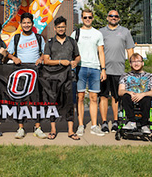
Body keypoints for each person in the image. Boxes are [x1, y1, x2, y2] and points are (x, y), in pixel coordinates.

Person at [6, 12, 47, 140]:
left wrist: (41, 59)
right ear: (21, 24)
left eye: (29, 22)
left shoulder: (39, 38)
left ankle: (37, 127)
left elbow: (45, 54)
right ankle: (20, 128)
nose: (26, 25)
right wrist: (14, 57)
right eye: (24, 23)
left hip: (35, 73)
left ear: (32, 24)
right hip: (20, 72)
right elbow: (8, 53)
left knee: (36, 101)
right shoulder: (16, 38)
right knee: (20, 101)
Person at [43, 16, 81, 141]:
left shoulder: (71, 41)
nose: (61, 29)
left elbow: (77, 56)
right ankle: (53, 129)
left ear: (66, 27)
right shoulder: (49, 43)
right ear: (55, 28)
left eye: (63, 27)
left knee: (70, 104)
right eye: (58, 27)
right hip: (53, 77)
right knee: (52, 104)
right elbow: (46, 60)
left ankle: (70, 130)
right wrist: (60, 62)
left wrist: (75, 62)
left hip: (69, 77)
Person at [71, 9, 106, 137]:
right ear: (81, 18)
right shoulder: (75, 33)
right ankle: (80, 125)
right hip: (81, 68)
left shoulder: (97, 34)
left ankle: (94, 126)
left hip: (95, 68)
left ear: (92, 18)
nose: (87, 19)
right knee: (79, 97)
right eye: (85, 17)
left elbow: (101, 52)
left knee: (94, 98)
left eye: (89, 17)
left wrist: (103, 69)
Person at [98, 10, 135, 133]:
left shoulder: (125, 32)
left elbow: (130, 50)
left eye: (116, 16)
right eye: (111, 16)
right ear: (107, 17)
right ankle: (104, 122)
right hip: (103, 70)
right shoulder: (100, 32)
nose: (113, 18)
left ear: (119, 18)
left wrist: (132, 68)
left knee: (116, 97)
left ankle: (115, 121)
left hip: (119, 70)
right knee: (103, 96)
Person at [118, 53, 152, 133]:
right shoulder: (125, 76)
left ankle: (144, 124)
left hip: (144, 98)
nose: (136, 63)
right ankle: (131, 122)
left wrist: (142, 94)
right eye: (133, 62)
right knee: (125, 96)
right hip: (130, 98)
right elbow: (120, 91)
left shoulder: (150, 76)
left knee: (147, 98)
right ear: (130, 64)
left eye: (138, 61)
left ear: (142, 63)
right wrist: (129, 92)